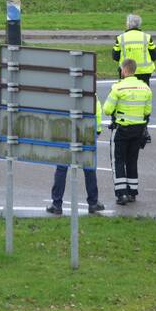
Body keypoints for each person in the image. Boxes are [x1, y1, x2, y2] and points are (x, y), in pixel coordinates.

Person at [101, 59, 153, 205]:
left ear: (123, 70)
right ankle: (132, 192)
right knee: (132, 160)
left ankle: (121, 194)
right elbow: (147, 111)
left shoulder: (118, 88)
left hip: (122, 129)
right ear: (134, 70)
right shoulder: (145, 88)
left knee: (118, 161)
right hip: (138, 130)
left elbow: (107, 110)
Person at [46, 87, 105, 216]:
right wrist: (97, 130)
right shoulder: (90, 90)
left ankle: (56, 204)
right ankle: (93, 203)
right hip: (86, 131)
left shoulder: (65, 89)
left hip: (66, 131)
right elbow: (97, 111)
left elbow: (56, 111)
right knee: (88, 167)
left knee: (62, 167)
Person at [112, 14, 156, 84]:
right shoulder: (147, 37)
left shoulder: (121, 38)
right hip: (144, 72)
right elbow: (154, 56)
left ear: (127, 24)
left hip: (126, 71)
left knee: (126, 90)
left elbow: (115, 57)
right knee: (143, 90)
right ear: (139, 24)